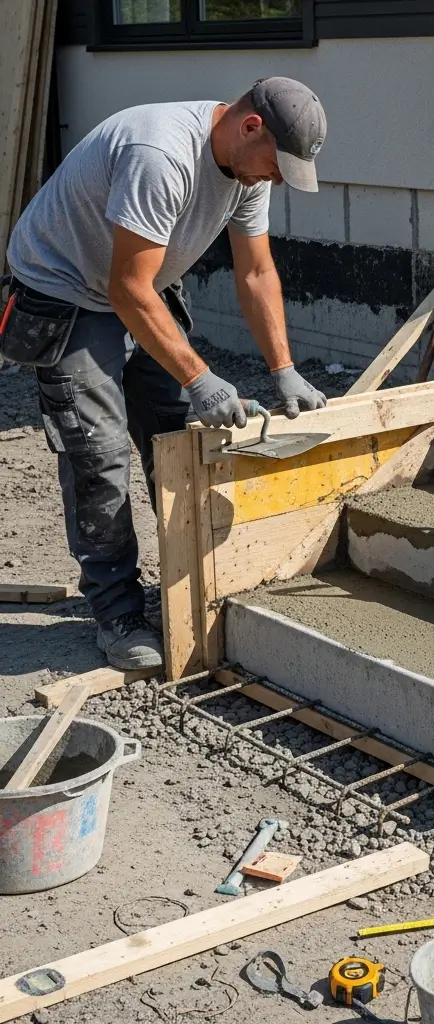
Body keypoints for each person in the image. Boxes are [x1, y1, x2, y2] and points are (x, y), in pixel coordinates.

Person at [1, 77, 329, 670]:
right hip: (69, 289)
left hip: (137, 287)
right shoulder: (161, 154)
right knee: (98, 456)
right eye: (275, 166)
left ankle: (187, 582)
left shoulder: (248, 167)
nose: (274, 179)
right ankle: (117, 611)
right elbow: (126, 288)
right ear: (249, 125)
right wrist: (201, 377)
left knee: (178, 439)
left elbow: (255, 273)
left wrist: (284, 370)